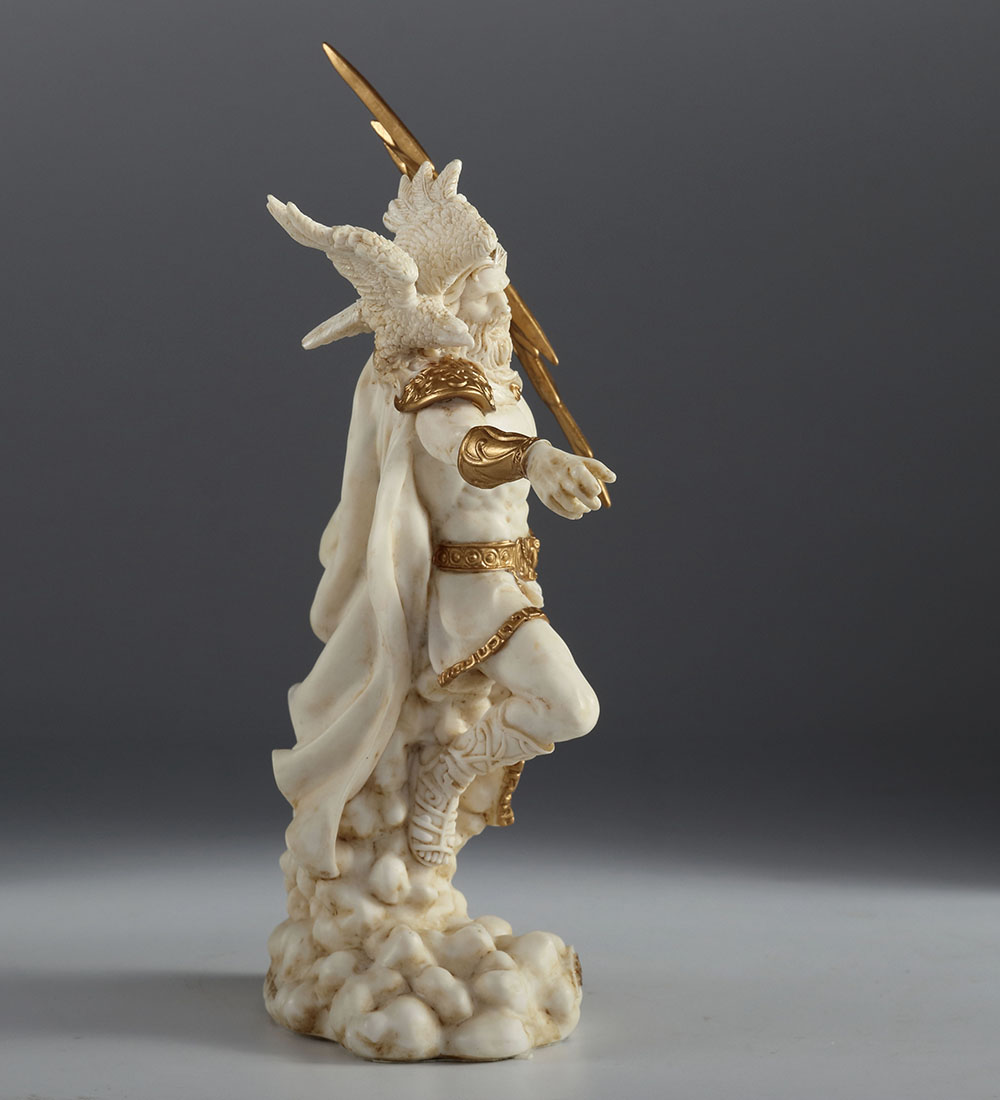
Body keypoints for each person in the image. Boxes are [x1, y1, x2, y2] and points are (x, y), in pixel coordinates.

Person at [267, 161, 615, 876]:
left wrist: (555, 473)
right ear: (453, 297)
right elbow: (459, 443)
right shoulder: (441, 380)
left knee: (565, 706)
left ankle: (443, 780)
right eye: (489, 288)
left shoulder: (501, 380)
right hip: (470, 591)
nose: (503, 302)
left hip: (516, 578)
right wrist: (538, 459)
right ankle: (445, 779)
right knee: (573, 708)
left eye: (503, 284)